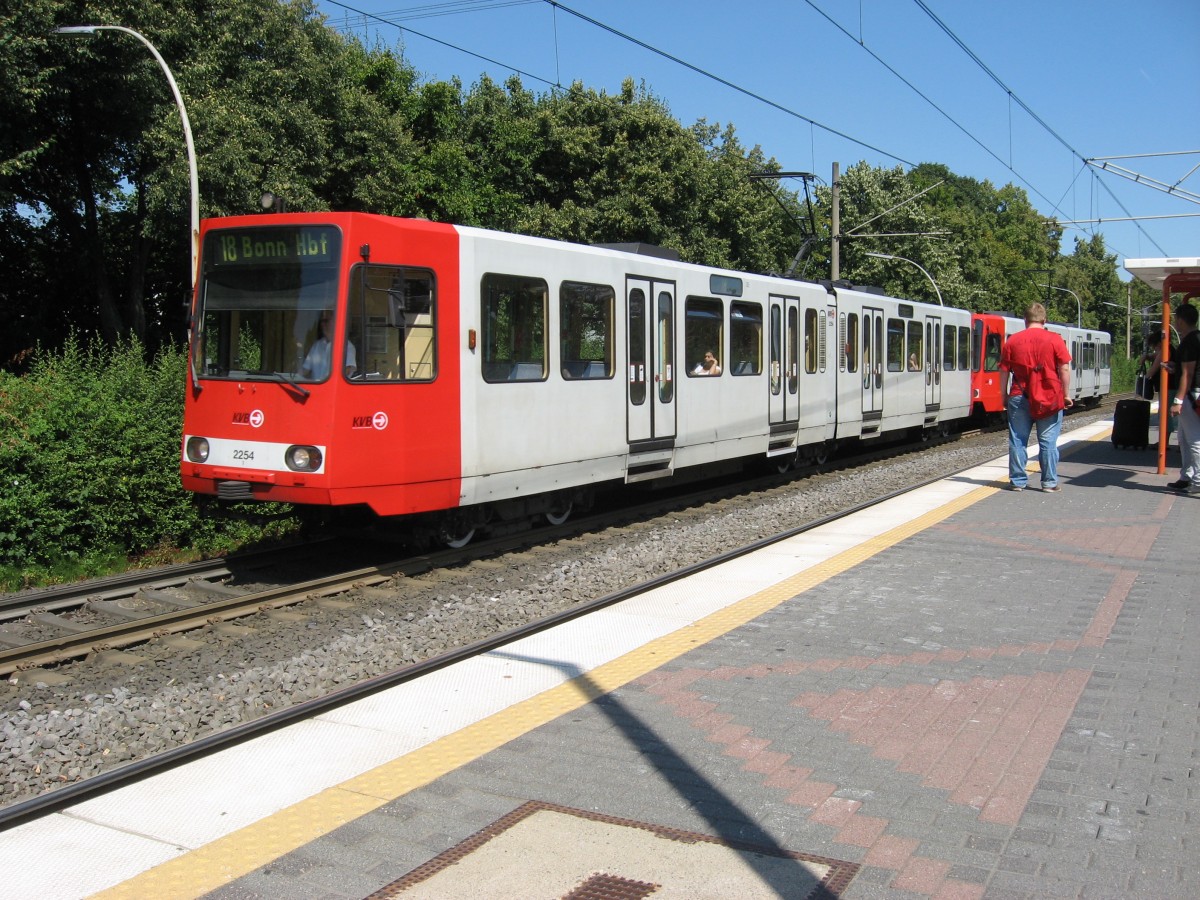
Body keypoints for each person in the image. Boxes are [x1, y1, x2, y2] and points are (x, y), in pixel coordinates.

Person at [999, 302, 1072, 492]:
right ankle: (1049, 482)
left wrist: (1004, 396)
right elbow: (1064, 368)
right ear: (1044, 320)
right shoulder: (1055, 340)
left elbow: (1004, 372)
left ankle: (1017, 481)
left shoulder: (1012, 341)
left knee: (1018, 439)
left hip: (1019, 395)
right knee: (1047, 441)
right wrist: (1066, 394)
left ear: (1025, 320)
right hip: (1049, 397)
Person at [1166, 304, 1200, 493]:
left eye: (1175, 319)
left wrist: (1177, 401)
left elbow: (1187, 374)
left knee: (1194, 439)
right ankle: (1186, 476)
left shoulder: (1189, 342)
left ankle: (1198, 481)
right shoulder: (1197, 338)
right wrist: (1174, 367)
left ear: (1180, 320)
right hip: (1194, 392)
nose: (1174, 322)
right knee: (1183, 438)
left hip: (1191, 395)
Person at [299, 312, 357, 380]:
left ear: (336, 323)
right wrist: (291, 377)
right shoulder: (317, 345)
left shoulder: (347, 346)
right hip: (315, 389)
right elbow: (305, 370)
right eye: (321, 321)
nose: (323, 324)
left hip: (333, 389)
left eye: (326, 321)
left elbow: (345, 372)